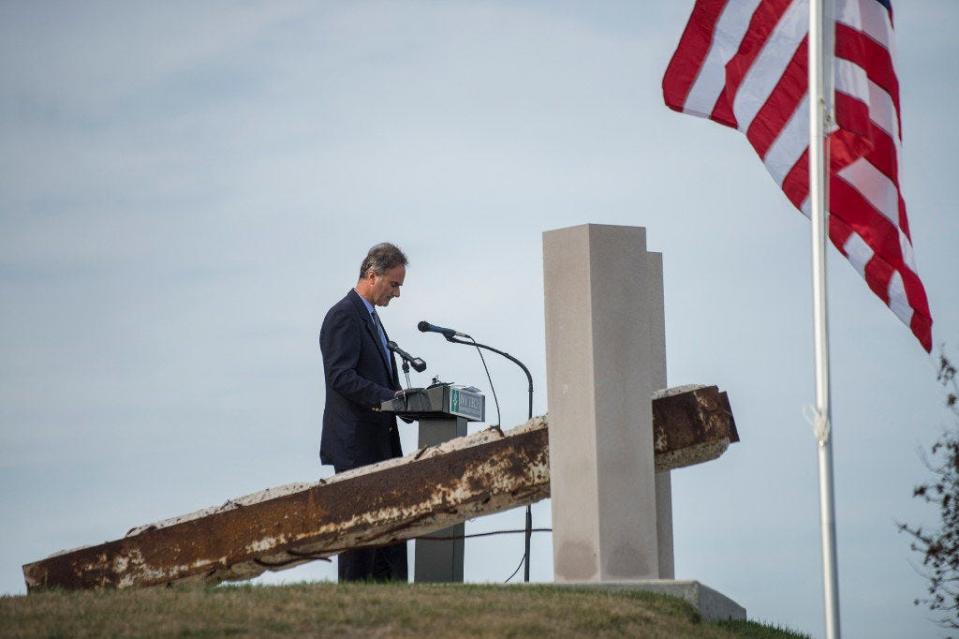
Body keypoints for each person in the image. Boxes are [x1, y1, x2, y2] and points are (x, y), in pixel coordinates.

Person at [319, 242, 409, 582]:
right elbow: (340, 377)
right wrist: (389, 397)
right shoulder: (343, 315)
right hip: (357, 449)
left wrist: (408, 404)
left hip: (381, 445)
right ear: (372, 276)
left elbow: (381, 378)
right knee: (360, 543)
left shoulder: (372, 319)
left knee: (387, 537)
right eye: (394, 284)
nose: (397, 294)